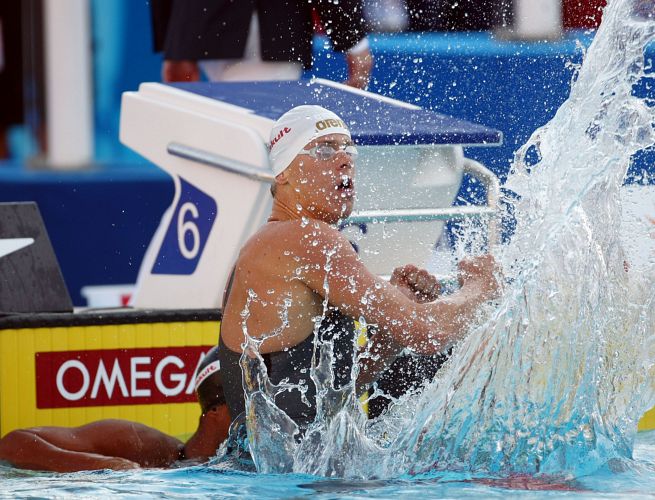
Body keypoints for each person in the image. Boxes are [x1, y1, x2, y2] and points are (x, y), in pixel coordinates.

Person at [219, 105, 501, 438]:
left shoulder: (271, 248)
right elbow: (428, 333)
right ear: (283, 172)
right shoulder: (305, 238)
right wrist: (479, 287)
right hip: (291, 469)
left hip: (280, 465)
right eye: (324, 150)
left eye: (348, 149)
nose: (344, 160)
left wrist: (391, 332)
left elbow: (336, 390)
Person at [0, 347, 230, 472]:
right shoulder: (144, 447)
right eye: (245, 400)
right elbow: (13, 443)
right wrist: (102, 466)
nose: (247, 411)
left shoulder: (245, 460)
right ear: (215, 411)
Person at [150, 0, 373, 88]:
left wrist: (174, 41)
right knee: (258, 134)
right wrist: (354, 42)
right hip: (269, 24)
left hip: (198, 23)